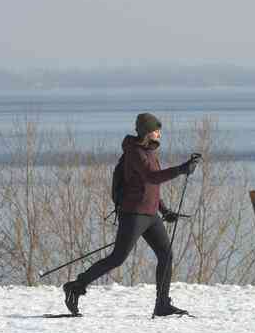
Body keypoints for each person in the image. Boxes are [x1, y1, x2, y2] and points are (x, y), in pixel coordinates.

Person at [63, 113, 200, 317]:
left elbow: (148, 187)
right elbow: (151, 177)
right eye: (156, 130)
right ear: (146, 131)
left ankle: (162, 304)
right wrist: (181, 169)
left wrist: (164, 210)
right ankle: (76, 286)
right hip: (134, 213)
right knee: (117, 258)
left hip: (150, 215)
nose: (159, 133)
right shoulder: (135, 152)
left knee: (166, 255)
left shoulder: (149, 152)